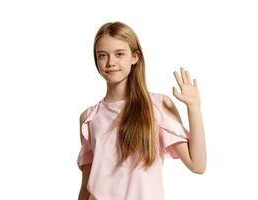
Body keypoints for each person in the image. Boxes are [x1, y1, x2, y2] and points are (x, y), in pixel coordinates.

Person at [77, 21, 207, 200]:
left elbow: (197, 165)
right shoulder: (89, 118)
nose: (110, 62)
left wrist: (194, 108)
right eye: (102, 55)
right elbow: (86, 187)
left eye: (119, 54)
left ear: (135, 57)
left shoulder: (157, 106)